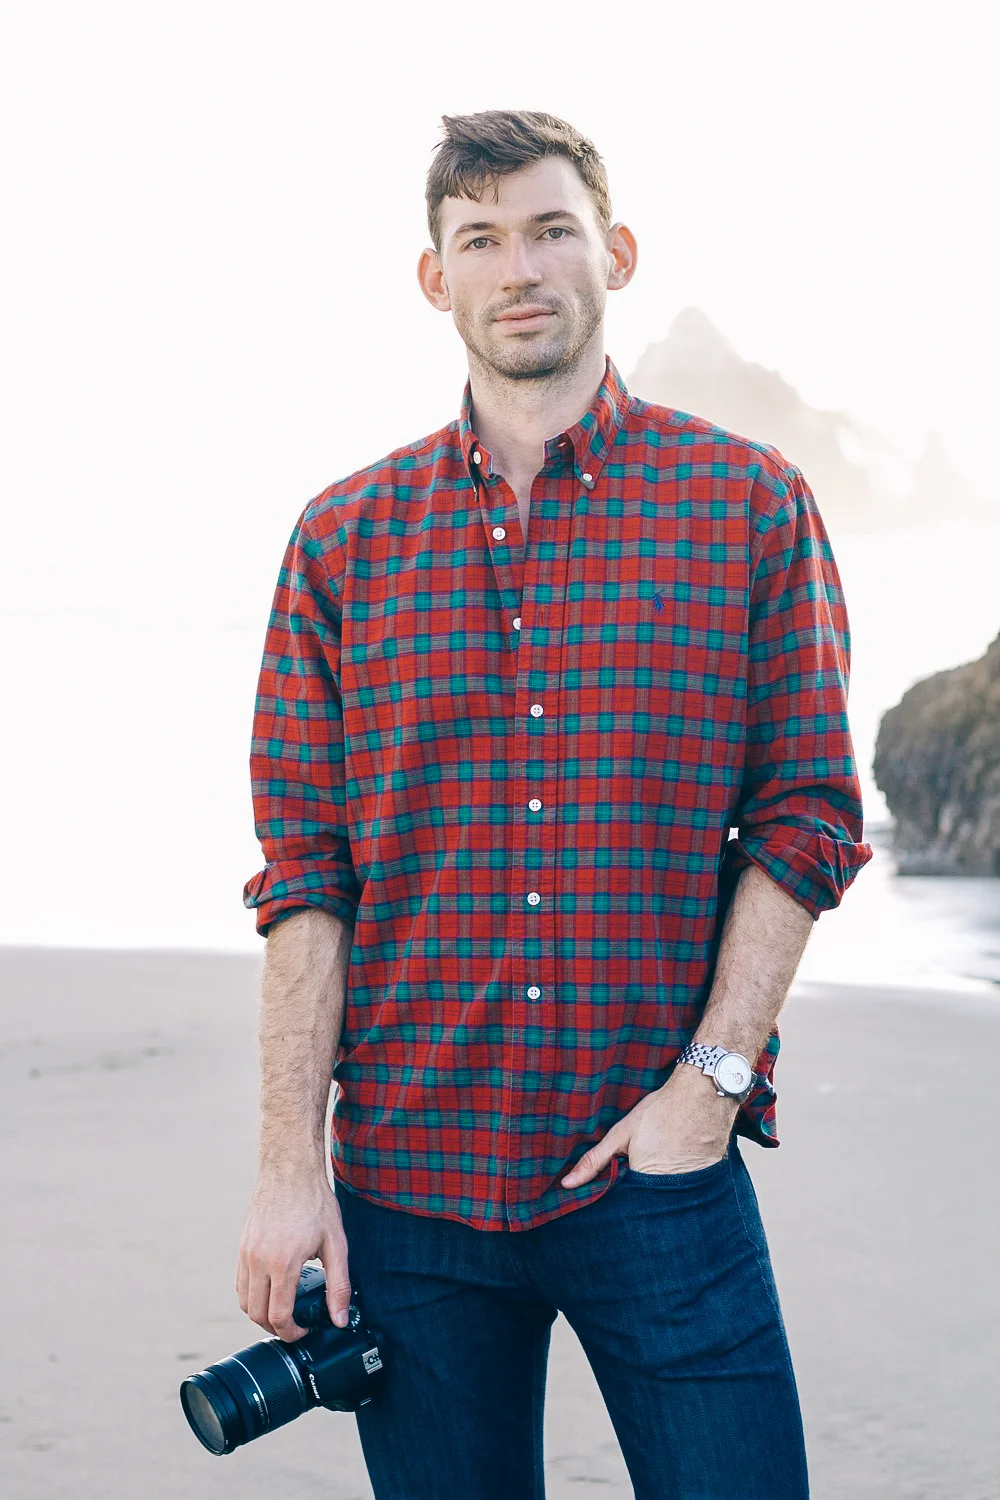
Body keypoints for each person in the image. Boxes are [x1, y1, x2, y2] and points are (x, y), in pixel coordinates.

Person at [236, 109, 872, 1499]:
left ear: (615, 253)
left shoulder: (749, 507)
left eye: (548, 230)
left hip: (656, 1174)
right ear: (435, 279)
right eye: (480, 239)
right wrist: (293, 1170)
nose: (517, 266)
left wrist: (708, 1090)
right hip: (409, 1197)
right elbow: (305, 876)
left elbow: (810, 813)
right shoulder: (343, 542)